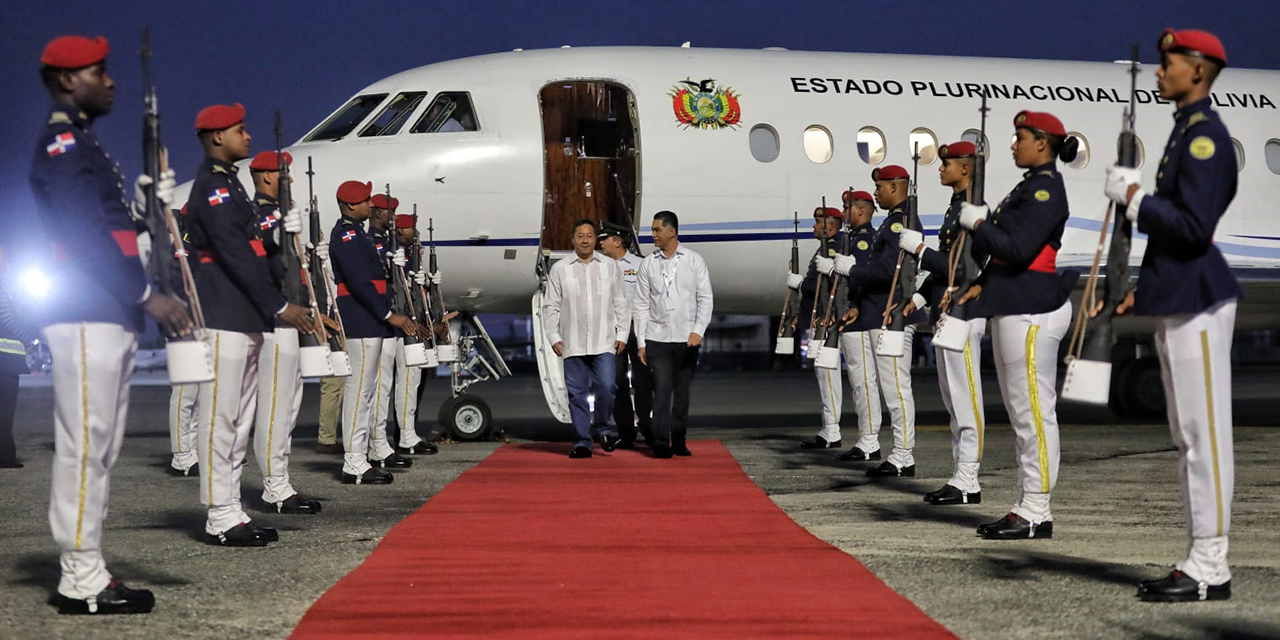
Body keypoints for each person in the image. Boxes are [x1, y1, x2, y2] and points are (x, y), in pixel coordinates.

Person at [30, 34, 192, 614]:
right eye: (100, 70)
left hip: (104, 310)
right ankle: (79, 579)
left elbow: (112, 232)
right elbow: (83, 237)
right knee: (84, 447)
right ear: (69, 80)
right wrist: (146, 295)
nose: (112, 79)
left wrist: (146, 214)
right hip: (86, 310)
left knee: (99, 448)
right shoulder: (65, 143)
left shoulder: (85, 144)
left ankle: (90, 567)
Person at [1103, 29, 1240, 602]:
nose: (1160, 73)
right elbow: (1174, 240)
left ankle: (1210, 565)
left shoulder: (1205, 136)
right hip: (1179, 296)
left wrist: (1135, 197)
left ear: (1199, 71)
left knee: (1204, 437)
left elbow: (1192, 228)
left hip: (1200, 302)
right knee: (1188, 435)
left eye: (1169, 64)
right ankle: (1199, 557)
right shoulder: (1185, 131)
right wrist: (1144, 290)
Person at [185, 102, 315, 547]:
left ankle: (232, 507)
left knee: (238, 419)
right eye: (240, 130)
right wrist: (280, 307)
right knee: (221, 416)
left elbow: (255, 248)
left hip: (243, 315)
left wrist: (278, 235)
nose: (249, 137)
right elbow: (235, 254)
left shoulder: (230, 187)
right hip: (224, 315)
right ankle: (220, 513)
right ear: (218, 137)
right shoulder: (214, 189)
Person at [958, 110, 1079, 540]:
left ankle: (1036, 509)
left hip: (1033, 309)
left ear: (1042, 144)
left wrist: (978, 223)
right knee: (1021, 413)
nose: (1013, 144)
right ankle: (1026, 504)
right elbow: (1006, 254)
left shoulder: (1046, 191)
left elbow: (1019, 247)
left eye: (1020, 137)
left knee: (1033, 413)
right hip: (1014, 303)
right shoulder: (1027, 188)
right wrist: (982, 284)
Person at [899, 142, 988, 505]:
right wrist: (921, 296)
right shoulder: (956, 209)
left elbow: (964, 267)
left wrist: (920, 252)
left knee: (966, 398)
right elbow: (948, 266)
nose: (940, 168)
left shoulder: (975, 210)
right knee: (954, 400)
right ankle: (960, 475)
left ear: (965, 170)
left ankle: (969, 479)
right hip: (947, 313)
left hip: (965, 314)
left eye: (947, 163)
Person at [830, 166, 925, 477]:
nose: (876, 193)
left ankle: (903, 456)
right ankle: (897, 452)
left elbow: (887, 272)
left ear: (896, 188)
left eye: (880, 187)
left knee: (896, 388)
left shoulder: (900, 223)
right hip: (877, 312)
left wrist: (852, 270)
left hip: (891, 314)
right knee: (889, 387)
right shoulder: (893, 222)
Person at [328, 180, 419, 483]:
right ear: (352, 205)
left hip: (368, 317)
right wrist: (387, 313)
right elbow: (359, 282)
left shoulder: (356, 234)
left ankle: (363, 452)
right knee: (360, 390)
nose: (372, 205)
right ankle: (353, 459)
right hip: (362, 316)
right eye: (366, 200)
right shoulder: (349, 234)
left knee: (367, 389)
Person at [248, 150, 323, 515]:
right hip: (275, 321)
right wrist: (280, 226)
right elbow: (262, 254)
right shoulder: (259, 215)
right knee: (276, 405)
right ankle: (274, 487)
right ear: (265, 179)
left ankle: (281, 479)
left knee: (289, 406)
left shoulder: (279, 216)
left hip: (291, 319)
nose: (289, 180)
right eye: (283, 174)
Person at [543, 220, 630, 458]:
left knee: (607, 385)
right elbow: (551, 305)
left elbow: (621, 302)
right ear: (573, 240)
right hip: (572, 342)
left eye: (589, 236)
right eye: (580, 236)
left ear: (595, 240)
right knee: (577, 394)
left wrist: (623, 333)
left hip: (604, 340)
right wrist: (553, 335)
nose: (585, 240)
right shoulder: (560, 269)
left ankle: (603, 427)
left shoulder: (610, 266)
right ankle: (582, 442)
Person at [634, 211, 713, 458]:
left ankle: (678, 439)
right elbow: (641, 304)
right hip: (657, 338)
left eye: (657, 230)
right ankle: (660, 441)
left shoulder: (694, 261)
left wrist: (697, 330)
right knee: (662, 388)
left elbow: (705, 298)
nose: (653, 235)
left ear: (672, 231)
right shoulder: (648, 263)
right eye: (653, 230)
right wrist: (641, 341)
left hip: (686, 340)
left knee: (682, 393)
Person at [833, 191, 887, 463]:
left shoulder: (864, 240)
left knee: (863, 380)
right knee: (858, 381)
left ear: (862, 211)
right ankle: (866, 438)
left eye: (847, 207)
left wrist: (853, 305)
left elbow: (865, 279)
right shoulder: (853, 238)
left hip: (860, 317)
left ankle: (869, 441)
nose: (843, 213)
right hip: (852, 315)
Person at [365, 194, 413, 469]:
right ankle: (377, 444)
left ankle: (381, 443)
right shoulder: (372, 241)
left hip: (392, 323)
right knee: (379, 388)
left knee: (385, 386)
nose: (393, 216)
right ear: (378, 212)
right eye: (390, 211)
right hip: (382, 323)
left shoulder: (385, 242)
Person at [794, 206, 845, 449]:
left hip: (828, 319)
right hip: (822, 317)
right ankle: (829, 428)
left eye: (818, 222)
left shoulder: (833, 247)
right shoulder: (825, 246)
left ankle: (832, 431)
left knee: (827, 374)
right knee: (824, 374)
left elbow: (828, 286)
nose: (814, 226)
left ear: (831, 225)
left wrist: (801, 285)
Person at [598, 227, 652, 449]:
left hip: (639, 329)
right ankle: (626, 432)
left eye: (604, 239)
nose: (600, 243)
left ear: (617, 241)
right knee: (617, 381)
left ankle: (649, 429)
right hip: (614, 330)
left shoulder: (641, 265)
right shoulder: (601, 267)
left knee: (643, 381)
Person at [392, 213, 441, 456]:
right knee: (405, 382)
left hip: (413, 324)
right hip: (402, 327)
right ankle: (403, 434)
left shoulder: (413, 254)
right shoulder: (398, 255)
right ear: (400, 231)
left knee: (412, 382)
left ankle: (407, 432)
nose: (417, 232)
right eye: (412, 228)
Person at [0, 283, 32, 469]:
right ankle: (4, 457)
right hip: (6, 360)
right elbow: (5, 316)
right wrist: (26, 339)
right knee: (4, 410)